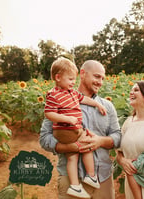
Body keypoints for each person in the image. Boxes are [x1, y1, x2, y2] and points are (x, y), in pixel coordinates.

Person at [40, 60, 121, 199]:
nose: (100, 82)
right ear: (82, 74)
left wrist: (100, 141)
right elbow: (44, 139)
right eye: (96, 76)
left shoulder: (107, 106)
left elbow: (118, 137)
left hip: (102, 179)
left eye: (102, 78)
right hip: (70, 180)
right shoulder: (60, 100)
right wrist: (71, 147)